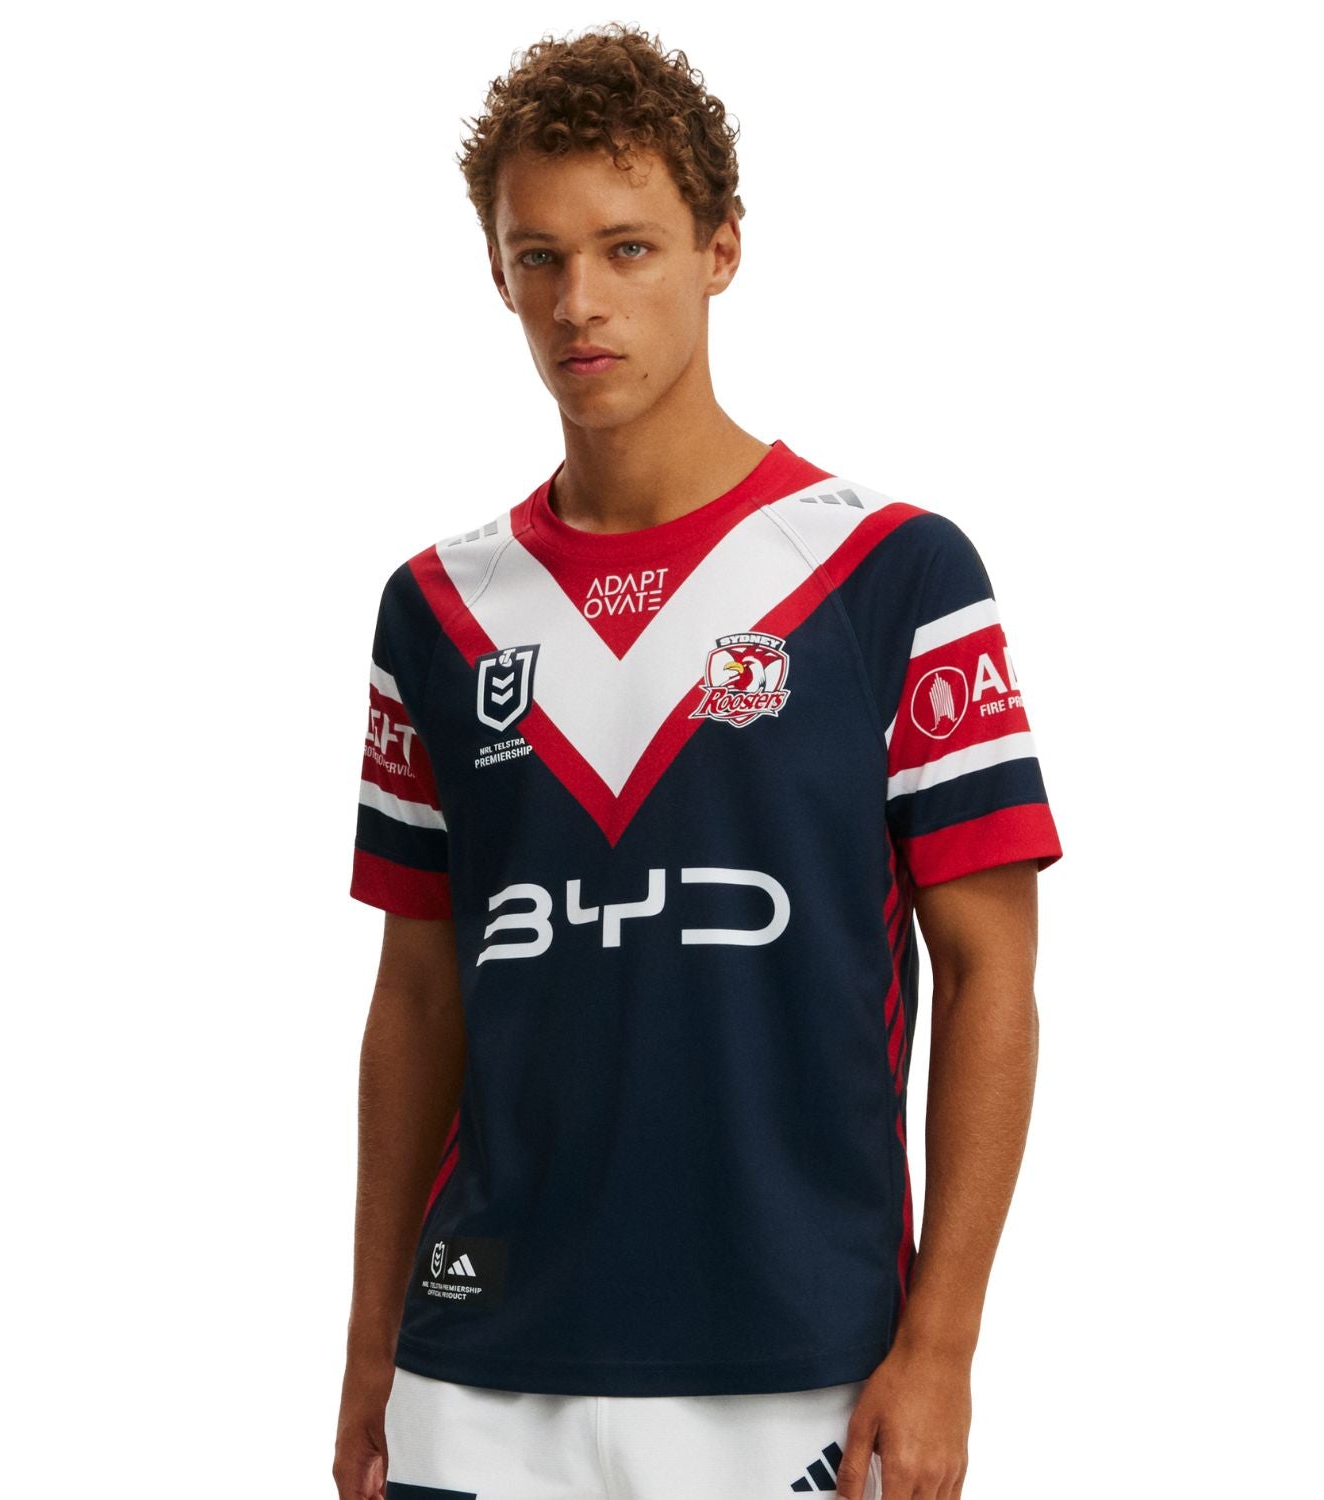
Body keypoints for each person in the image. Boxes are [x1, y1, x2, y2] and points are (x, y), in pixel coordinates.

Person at [334, 22, 1063, 1500]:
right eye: (538, 257)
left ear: (722, 248)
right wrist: (367, 1350)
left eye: (628, 249)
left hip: (795, 1364)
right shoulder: (437, 608)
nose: (579, 303)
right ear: (496, 273)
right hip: (477, 1361)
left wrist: (943, 1347)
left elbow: (992, 973)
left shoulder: (891, 574)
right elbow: (417, 991)